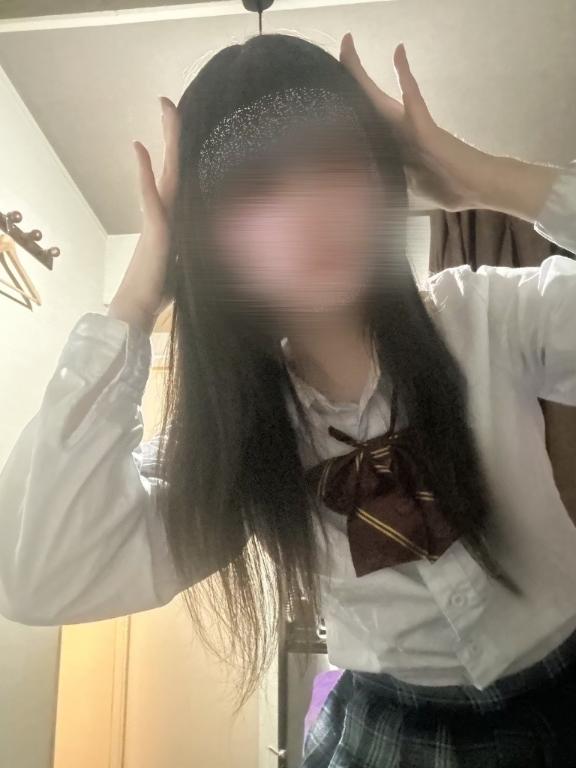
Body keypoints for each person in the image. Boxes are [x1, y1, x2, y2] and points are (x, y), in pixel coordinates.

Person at [1, 31, 576, 767]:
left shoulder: (492, 318)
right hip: (384, 738)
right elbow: (41, 576)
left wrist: (486, 180)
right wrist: (139, 296)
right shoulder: (237, 438)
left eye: (334, 161)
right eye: (253, 188)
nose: (307, 210)